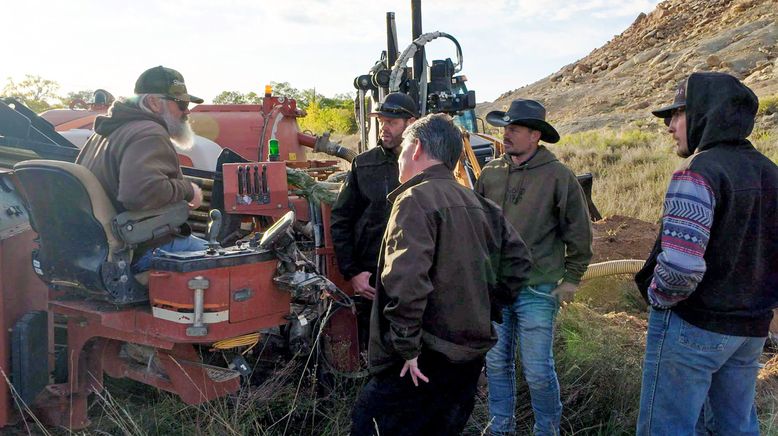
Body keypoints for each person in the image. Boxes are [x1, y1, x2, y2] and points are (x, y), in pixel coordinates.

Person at [350, 113, 533, 436]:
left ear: (417, 148)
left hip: (420, 359)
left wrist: (407, 348)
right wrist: (484, 307)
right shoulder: (479, 203)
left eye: (404, 148)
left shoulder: (413, 199)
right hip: (467, 357)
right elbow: (519, 263)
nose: (400, 158)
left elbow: (406, 280)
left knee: (370, 426)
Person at [635, 72, 778, 435]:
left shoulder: (698, 173)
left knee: (666, 428)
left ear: (705, 113)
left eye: (678, 113)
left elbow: (680, 268)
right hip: (750, 332)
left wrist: (659, 299)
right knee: (735, 427)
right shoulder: (771, 173)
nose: (669, 126)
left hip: (695, 326)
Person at [477, 99, 593, 435]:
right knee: (496, 363)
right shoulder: (491, 173)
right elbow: (478, 226)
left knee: (539, 370)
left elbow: (580, 232)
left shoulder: (559, 177)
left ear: (535, 136)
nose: (506, 134)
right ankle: (501, 428)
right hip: (497, 289)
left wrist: (571, 279)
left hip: (538, 289)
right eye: (505, 127)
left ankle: (547, 430)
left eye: (514, 128)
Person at [76, 65, 208, 272]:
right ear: (153, 102)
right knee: (232, 266)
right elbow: (140, 193)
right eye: (181, 103)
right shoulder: (149, 132)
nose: (187, 111)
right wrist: (189, 190)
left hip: (96, 251)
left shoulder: (104, 132)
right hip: (140, 250)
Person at [331, 92, 418, 300]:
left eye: (391, 122)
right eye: (381, 121)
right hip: (372, 279)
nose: (384, 128)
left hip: (416, 276)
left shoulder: (425, 163)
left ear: (411, 122)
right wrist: (352, 272)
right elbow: (341, 220)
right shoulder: (364, 164)